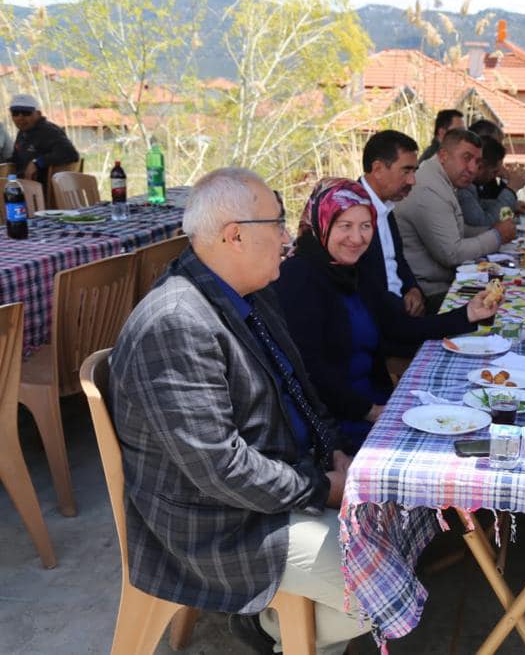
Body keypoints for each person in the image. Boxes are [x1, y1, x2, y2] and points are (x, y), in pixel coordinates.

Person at [110, 168, 369, 654]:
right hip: (218, 526)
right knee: (376, 586)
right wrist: (321, 488)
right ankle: (267, 627)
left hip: (270, 487)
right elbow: (220, 469)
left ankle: (283, 629)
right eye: (277, 223)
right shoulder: (176, 324)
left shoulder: (249, 290)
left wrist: (333, 452)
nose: (288, 238)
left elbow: (301, 389)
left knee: (388, 533)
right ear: (235, 235)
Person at [275, 179, 501, 449]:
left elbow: (399, 326)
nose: (357, 238)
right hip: (332, 422)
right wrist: (370, 411)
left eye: (366, 226)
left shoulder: (354, 270)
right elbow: (311, 371)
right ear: (321, 223)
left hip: (372, 402)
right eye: (345, 226)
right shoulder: (298, 277)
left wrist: (467, 315)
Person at [396, 128, 516, 313]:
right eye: (466, 158)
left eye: (477, 161)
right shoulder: (430, 189)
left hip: (442, 284)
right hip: (426, 294)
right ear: (443, 155)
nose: (473, 169)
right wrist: (496, 235)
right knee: (505, 307)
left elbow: (456, 229)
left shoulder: (440, 177)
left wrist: (491, 228)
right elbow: (452, 254)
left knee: (506, 292)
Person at [357, 130, 424, 318]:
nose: (412, 180)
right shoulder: (351, 212)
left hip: (402, 312)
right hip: (380, 324)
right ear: (377, 169)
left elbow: (397, 260)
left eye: (414, 171)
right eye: (406, 171)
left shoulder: (385, 206)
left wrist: (413, 289)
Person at [8, 93, 80, 184]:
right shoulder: (23, 132)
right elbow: (16, 159)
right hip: (21, 186)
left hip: (40, 192)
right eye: (15, 113)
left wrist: (37, 163)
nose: (20, 117)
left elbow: (70, 153)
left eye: (26, 113)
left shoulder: (48, 131)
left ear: (38, 114)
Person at [457, 136, 523, 226]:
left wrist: (512, 205)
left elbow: (480, 204)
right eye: (494, 171)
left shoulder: (470, 186)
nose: (496, 176)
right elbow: (483, 224)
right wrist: (512, 189)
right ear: (480, 167)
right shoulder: (462, 189)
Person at [468, 118, 525, 207]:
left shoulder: (489, 175)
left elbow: (497, 203)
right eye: (496, 145)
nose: (499, 150)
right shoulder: (466, 178)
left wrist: (505, 179)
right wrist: (512, 187)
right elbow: (483, 218)